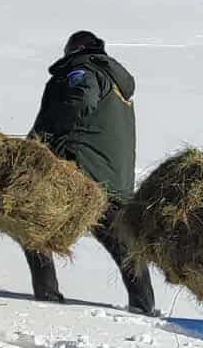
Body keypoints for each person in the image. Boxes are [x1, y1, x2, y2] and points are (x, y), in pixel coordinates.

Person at [24, 30, 155, 314]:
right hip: (113, 176)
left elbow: (79, 101)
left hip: (82, 168)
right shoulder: (115, 82)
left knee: (31, 220)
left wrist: (44, 142)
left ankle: (46, 295)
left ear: (72, 50)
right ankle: (144, 305)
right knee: (120, 240)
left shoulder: (83, 70)